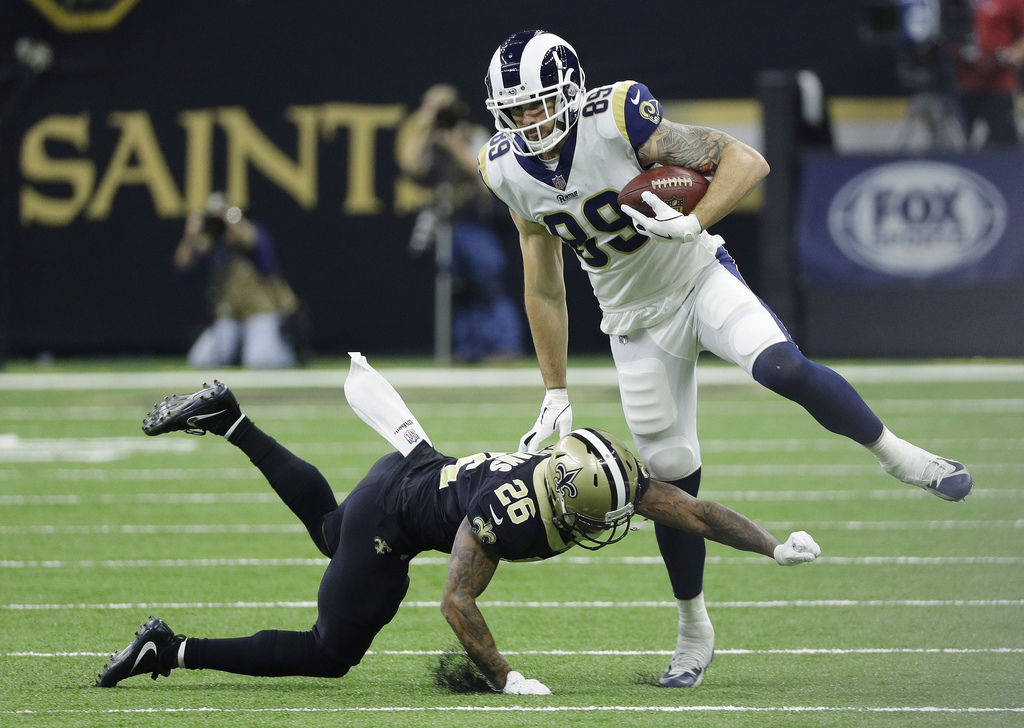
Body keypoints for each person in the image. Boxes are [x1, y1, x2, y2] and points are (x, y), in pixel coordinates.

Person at [477, 29, 974, 688]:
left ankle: (903, 457)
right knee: (670, 479)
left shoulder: (616, 116)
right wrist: (555, 390)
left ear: (570, 92)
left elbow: (745, 161)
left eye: (539, 104)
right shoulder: (504, 167)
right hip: (631, 323)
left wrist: (694, 219)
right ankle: (693, 627)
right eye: (516, 110)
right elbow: (542, 281)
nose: (529, 121)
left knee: (783, 367)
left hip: (696, 277)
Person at [94, 353, 820, 693]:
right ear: (563, 502)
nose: (612, 520)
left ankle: (232, 420)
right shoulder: (510, 513)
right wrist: (504, 680)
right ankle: (171, 648)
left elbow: (691, 512)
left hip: (415, 466)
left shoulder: (600, 473)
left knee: (325, 530)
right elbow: (455, 601)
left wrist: (771, 546)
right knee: (331, 652)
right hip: (394, 517)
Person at [396, 84, 524, 362]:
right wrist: (424, 127)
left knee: (488, 281)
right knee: (457, 288)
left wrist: (454, 144)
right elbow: (410, 166)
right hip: (448, 224)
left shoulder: (472, 134)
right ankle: (468, 349)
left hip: (475, 221)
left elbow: (481, 170)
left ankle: (505, 346)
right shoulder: (429, 140)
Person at [174, 192, 302, 369]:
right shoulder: (214, 243)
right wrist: (190, 236)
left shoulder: (254, 231)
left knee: (260, 361)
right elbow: (183, 263)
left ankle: (290, 352)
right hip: (229, 315)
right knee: (201, 360)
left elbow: (249, 239)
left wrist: (229, 218)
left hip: (261, 311)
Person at [953, 0, 1024, 147]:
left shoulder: (1012, 2)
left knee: (1003, 142)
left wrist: (1013, 54)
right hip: (960, 81)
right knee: (956, 145)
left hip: (999, 81)